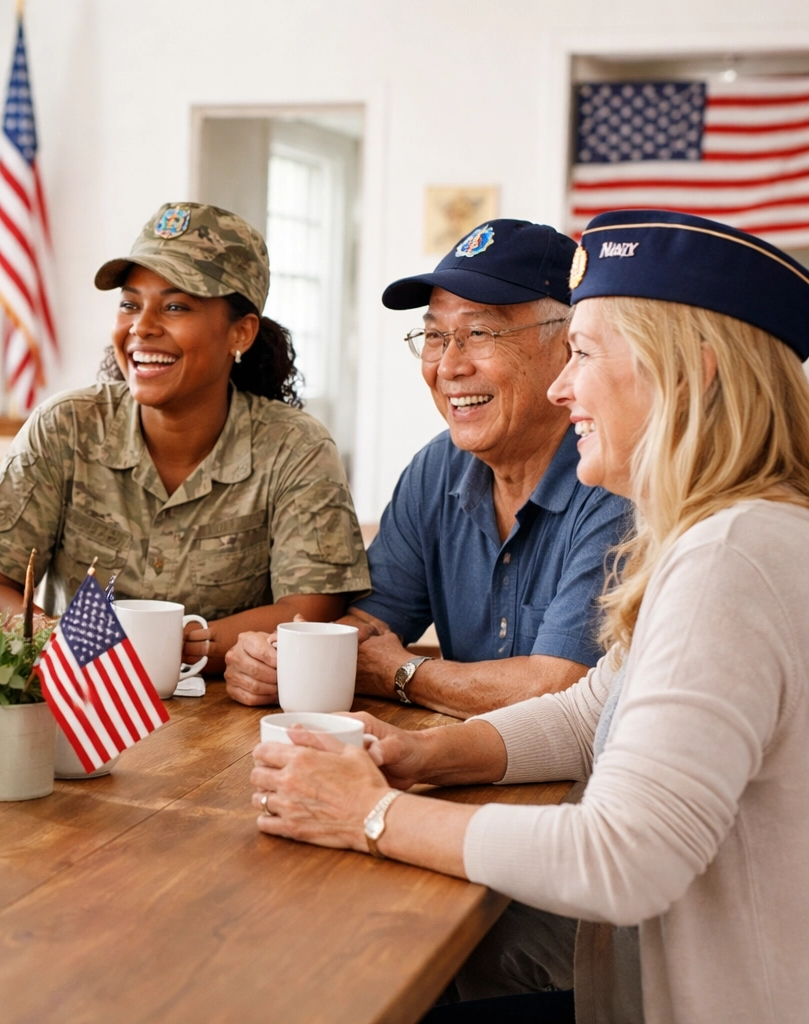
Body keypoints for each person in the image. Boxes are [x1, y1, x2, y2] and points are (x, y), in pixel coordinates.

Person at [250, 210, 809, 1022]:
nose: (560, 387)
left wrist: (368, 813)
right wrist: (419, 757)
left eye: (582, 353)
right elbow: (590, 712)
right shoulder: (725, 533)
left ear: (691, 373)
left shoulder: (732, 557)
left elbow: (624, 857)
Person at [225, 220, 631, 717]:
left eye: (479, 333)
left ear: (568, 345)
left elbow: (562, 688)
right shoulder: (437, 468)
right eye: (435, 335)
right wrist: (285, 659)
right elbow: (372, 625)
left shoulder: (617, 476)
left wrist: (404, 674)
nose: (448, 366)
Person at [0, 203, 369, 675]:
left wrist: (169, 649)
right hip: (82, 706)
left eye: (175, 306)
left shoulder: (296, 448)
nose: (141, 326)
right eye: (130, 303)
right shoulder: (65, 426)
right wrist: (72, 644)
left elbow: (309, 611)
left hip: (229, 723)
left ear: (241, 332)